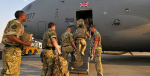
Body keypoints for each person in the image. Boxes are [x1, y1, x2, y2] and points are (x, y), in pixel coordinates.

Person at [0, 11, 32, 76]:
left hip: (14, 51)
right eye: (25, 16)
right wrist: (25, 43)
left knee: (11, 72)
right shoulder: (16, 23)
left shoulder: (20, 25)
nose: (26, 17)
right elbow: (10, 36)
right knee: (11, 73)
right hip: (11, 51)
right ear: (21, 16)